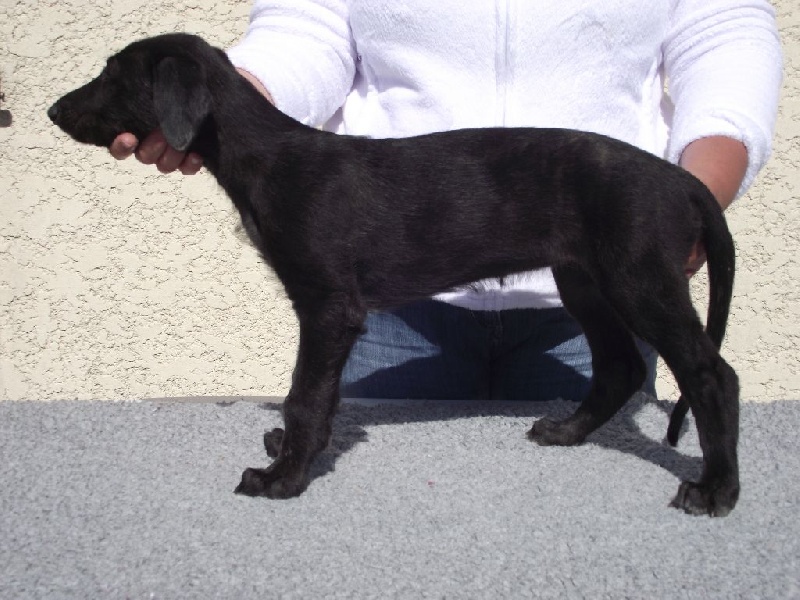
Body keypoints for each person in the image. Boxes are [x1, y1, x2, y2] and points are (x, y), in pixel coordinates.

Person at [110, 1, 782, 402]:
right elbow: (307, 27)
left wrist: (688, 200)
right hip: (399, 308)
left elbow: (722, 33)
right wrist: (227, 102)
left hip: (596, 286)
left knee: (591, 521)